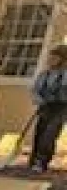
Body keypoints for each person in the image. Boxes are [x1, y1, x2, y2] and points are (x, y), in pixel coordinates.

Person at [29, 43, 67, 172]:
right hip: (45, 106)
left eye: (55, 57)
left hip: (61, 108)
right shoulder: (44, 75)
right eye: (50, 57)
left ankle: (42, 161)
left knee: (50, 134)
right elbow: (35, 90)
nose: (51, 60)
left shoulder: (65, 75)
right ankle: (34, 159)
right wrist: (39, 100)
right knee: (40, 132)